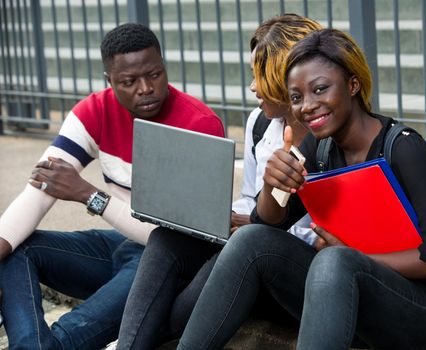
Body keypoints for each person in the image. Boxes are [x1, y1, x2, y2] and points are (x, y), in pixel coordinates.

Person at [177, 28, 426, 350]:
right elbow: (269, 225)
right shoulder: (320, 147)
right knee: (251, 239)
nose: (307, 106)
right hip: (351, 293)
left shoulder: (403, 147)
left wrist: (355, 256)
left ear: (353, 85)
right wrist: (274, 185)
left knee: (334, 260)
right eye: (297, 97)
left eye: (320, 89)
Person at [0, 23, 224, 350]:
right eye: (129, 82)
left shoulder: (199, 125)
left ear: (164, 67)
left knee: (66, 338)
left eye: (155, 74)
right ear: (110, 81)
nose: (145, 88)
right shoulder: (94, 111)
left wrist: (89, 195)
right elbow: (39, 190)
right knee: (15, 248)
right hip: (118, 247)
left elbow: (176, 239)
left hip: (168, 266)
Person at [115, 14, 322, 349]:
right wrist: (219, 218)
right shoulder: (260, 123)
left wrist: (251, 223)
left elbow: (314, 229)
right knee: (166, 238)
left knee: (227, 260)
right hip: (251, 245)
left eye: (260, 77)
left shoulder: (327, 135)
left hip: (291, 271)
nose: (253, 87)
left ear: (290, 77)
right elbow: (249, 199)